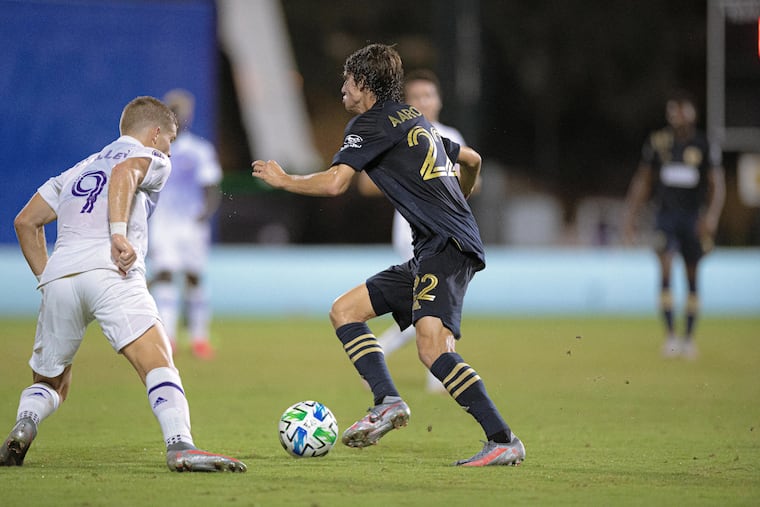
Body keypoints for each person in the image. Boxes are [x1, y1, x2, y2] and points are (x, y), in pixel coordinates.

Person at [252, 43, 524, 467]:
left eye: (347, 80)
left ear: (363, 83)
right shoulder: (412, 118)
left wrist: (285, 180)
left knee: (432, 348)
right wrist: (462, 195)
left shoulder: (370, 123)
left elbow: (335, 184)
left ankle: (502, 438)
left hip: (445, 246)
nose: (342, 88)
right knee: (345, 311)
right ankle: (387, 400)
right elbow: (471, 157)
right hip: (435, 246)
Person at [2, 96, 246, 472]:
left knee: (52, 383)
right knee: (158, 362)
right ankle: (180, 445)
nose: (172, 147)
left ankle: (24, 424)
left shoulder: (80, 168)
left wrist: (48, 279)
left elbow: (25, 222)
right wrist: (118, 234)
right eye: (171, 138)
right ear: (155, 133)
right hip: (112, 271)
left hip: (60, 277)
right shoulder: (155, 159)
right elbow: (126, 173)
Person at [357, 69, 467, 393]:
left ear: (439, 100)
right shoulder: (398, 136)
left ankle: (428, 368)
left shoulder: (451, 136)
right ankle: (434, 370)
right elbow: (366, 183)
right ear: (407, 104)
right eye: (416, 97)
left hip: (450, 232)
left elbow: (473, 177)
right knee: (435, 304)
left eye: (428, 96)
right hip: (413, 233)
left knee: (434, 304)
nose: (423, 102)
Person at [623, 91, 725, 360]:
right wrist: (630, 219)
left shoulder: (703, 144)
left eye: (682, 110)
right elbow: (643, 181)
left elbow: (717, 185)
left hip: (693, 219)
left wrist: (712, 216)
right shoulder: (658, 143)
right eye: (673, 111)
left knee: (692, 277)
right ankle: (670, 336)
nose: (677, 116)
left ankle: (689, 339)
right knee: (665, 269)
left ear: (692, 113)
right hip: (665, 218)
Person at [148, 89, 222, 360]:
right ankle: (168, 339)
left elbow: (211, 186)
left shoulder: (200, 150)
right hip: (163, 224)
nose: (179, 117)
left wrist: (204, 215)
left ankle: (199, 339)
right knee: (165, 275)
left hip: (191, 224)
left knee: (193, 277)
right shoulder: (154, 151)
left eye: (182, 112)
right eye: (174, 111)